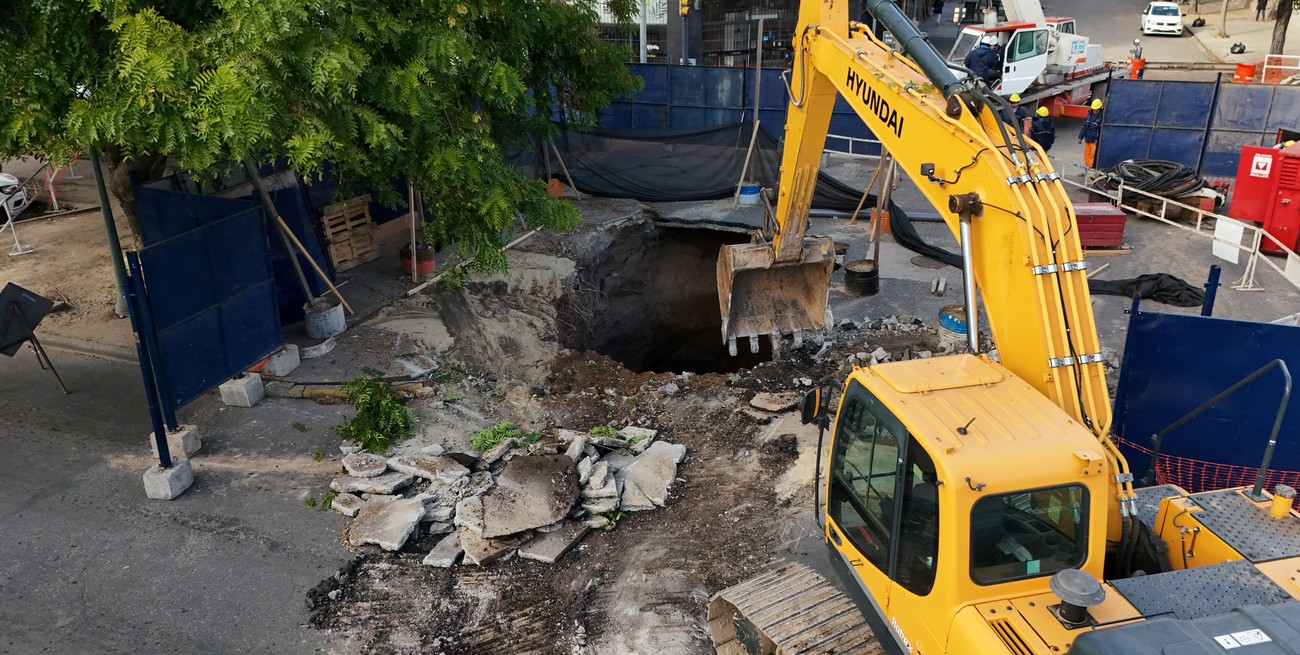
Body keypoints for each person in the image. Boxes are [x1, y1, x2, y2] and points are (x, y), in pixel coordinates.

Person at [1078, 98, 1104, 168]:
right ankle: (1088, 169)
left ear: (1100, 108)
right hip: (1088, 139)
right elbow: (1084, 126)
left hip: (1094, 141)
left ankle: (1092, 169)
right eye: (1094, 109)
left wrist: (1098, 139)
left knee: (1093, 156)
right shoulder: (1089, 115)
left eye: (1097, 109)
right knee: (1087, 156)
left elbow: (1102, 130)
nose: (1095, 110)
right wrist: (1080, 137)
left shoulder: (1102, 117)